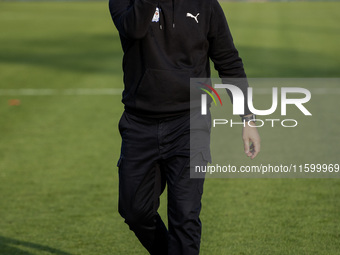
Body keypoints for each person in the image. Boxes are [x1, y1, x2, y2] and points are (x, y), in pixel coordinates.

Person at [108, 0, 260, 254]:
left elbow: (228, 60)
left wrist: (248, 118)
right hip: (139, 124)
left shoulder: (206, 4)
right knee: (134, 211)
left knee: (185, 217)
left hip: (191, 123)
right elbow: (133, 29)